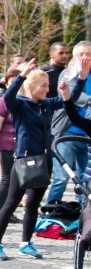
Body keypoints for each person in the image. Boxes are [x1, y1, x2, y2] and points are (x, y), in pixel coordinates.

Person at [0, 61, 59, 261]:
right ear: (30, 86)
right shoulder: (19, 105)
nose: (47, 89)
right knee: (11, 202)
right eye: (43, 85)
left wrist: (80, 77)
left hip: (44, 159)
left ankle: (25, 243)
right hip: (23, 161)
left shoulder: (45, 105)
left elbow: (67, 100)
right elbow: (8, 96)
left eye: (48, 85)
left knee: (33, 203)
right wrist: (22, 75)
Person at [47, 41, 91, 204]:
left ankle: (83, 215)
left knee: (84, 181)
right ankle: (50, 212)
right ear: (74, 57)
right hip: (67, 133)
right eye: (82, 54)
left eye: (89, 54)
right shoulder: (68, 73)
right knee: (62, 178)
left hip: (87, 136)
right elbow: (74, 97)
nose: (86, 58)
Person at [0, 69, 21, 225]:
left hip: (22, 146)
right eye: (11, 82)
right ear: (6, 84)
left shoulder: (24, 100)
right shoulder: (3, 101)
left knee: (19, 182)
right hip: (7, 144)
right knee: (7, 179)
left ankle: (9, 212)